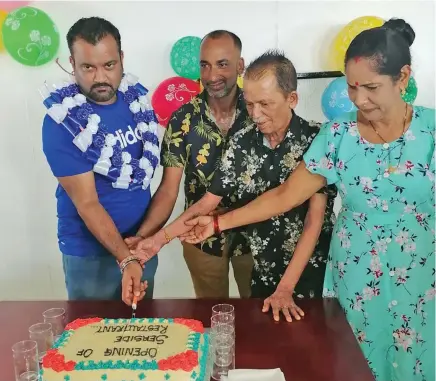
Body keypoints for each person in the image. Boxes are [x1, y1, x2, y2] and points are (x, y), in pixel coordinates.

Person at [181, 19, 435, 381]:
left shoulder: (431, 132)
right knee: (352, 368)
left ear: (403, 78)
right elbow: (285, 195)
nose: (359, 99)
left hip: (422, 282)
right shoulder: (339, 134)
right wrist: (218, 222)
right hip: (356, 281)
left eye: (372, 87)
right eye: (352, 87)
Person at [132, 50, 337, 322]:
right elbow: (207, 203)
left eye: (265, 104)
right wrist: (158, 241)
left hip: (313, 271)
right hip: (262, 269)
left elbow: (315, 220)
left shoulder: (318, 139)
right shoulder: (243, 141)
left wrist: (285, 288)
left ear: (292, 99)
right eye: (250, 104)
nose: (256, 114)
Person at [125, 30, 254, 298]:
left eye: (222, 64)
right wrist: (145, 238)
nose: (211, 75)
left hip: (257, 237)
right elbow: (168, 189)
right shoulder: (183, 119)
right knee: (212, 319)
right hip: (199, 238)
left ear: (240, 66)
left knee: (258, 320)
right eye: (205, 65)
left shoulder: (260, 111)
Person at [41, 17, 159, 305]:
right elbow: (87, 204)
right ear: (72, 63)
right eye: (88, 67)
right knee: (93, 342)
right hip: (90, 255)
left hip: (140, 246)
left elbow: (145, 177)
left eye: (109, 65)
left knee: (142, 335)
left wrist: (140, 245)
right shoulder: (63, 122)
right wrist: (125, 258)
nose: (100, 78)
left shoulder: (137, 104)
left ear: (121, 58)